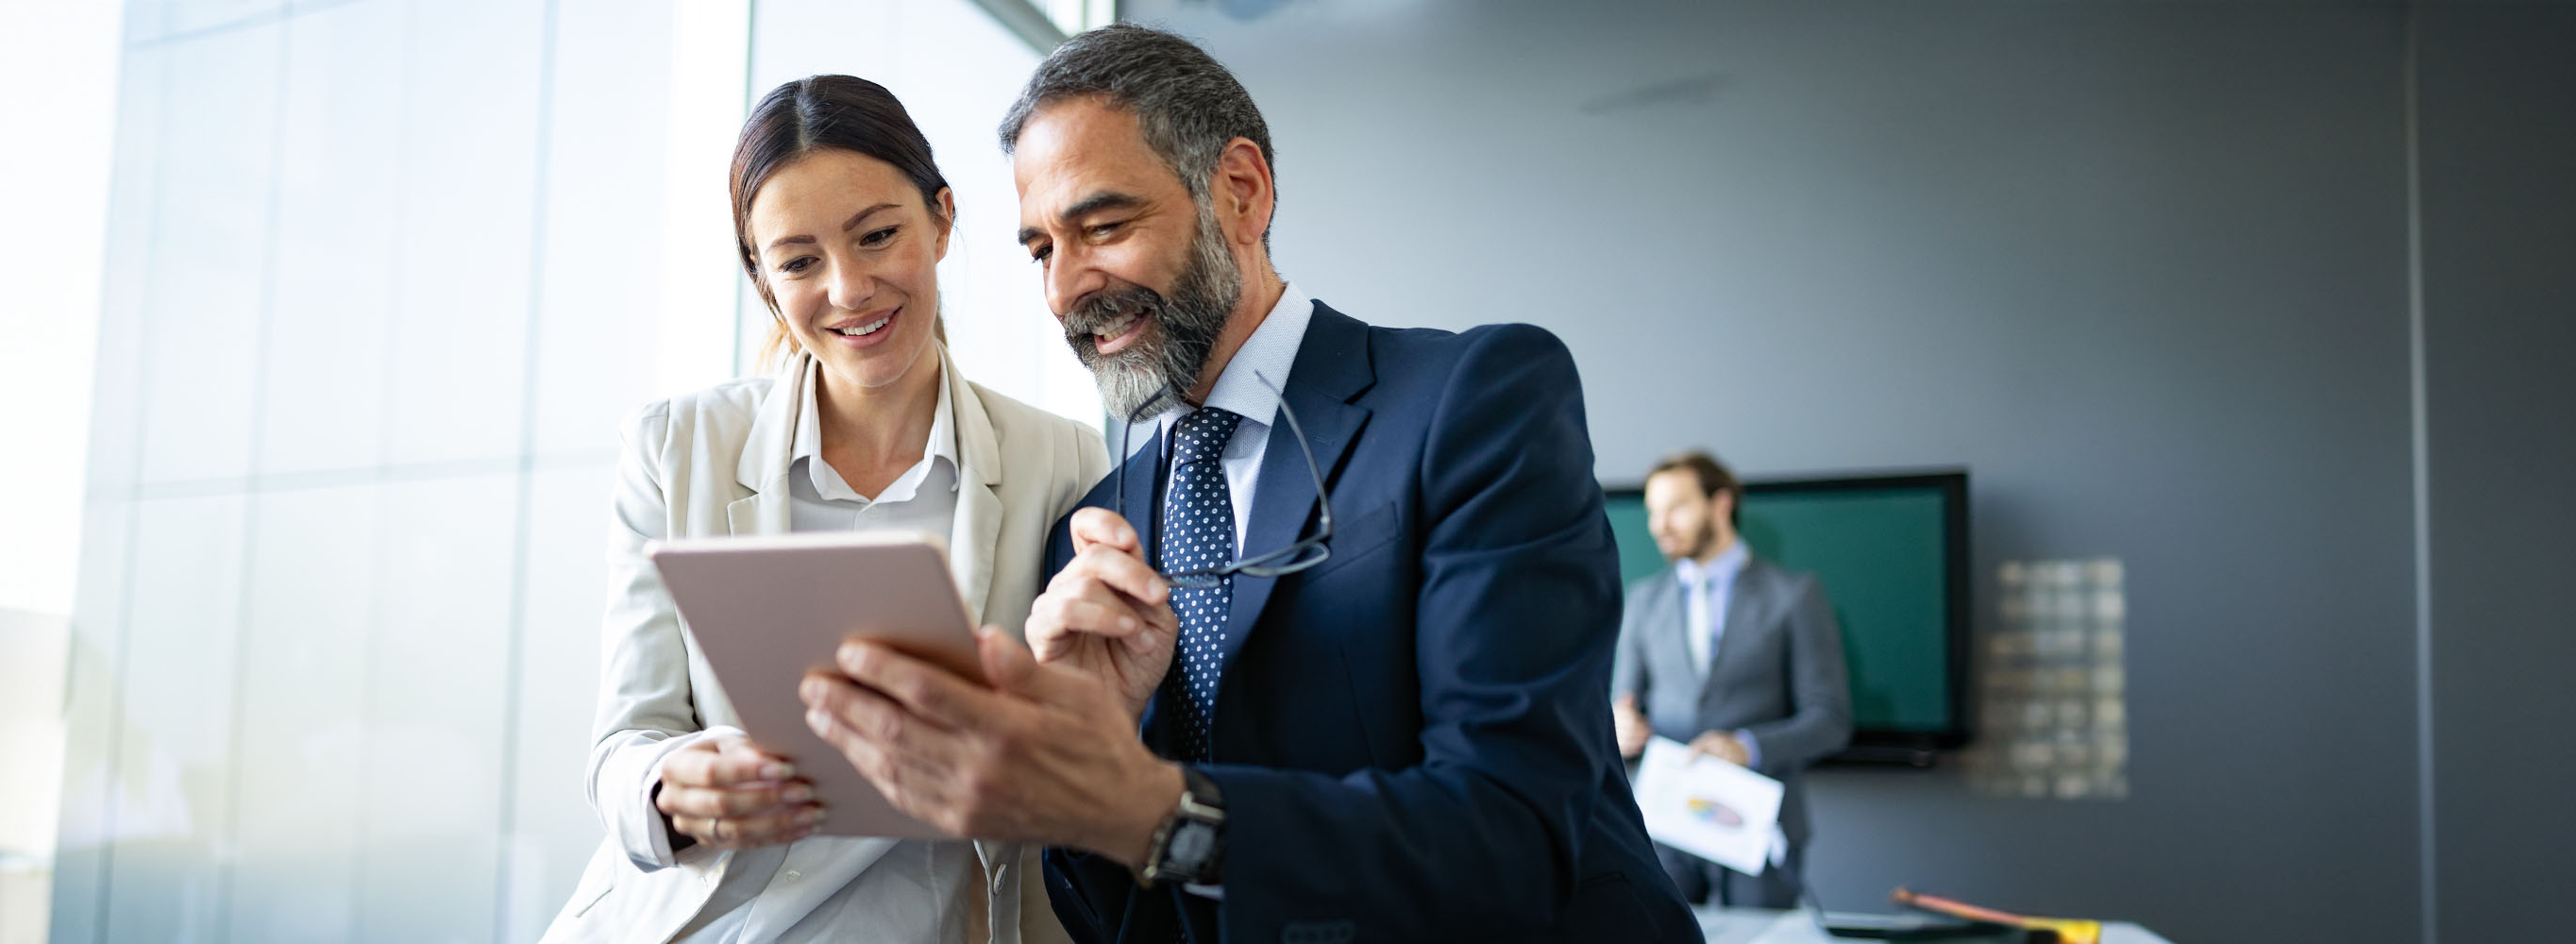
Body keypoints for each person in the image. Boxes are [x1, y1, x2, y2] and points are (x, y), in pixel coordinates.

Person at [787, 25, 1701, 943]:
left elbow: (1510, 836)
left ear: (1241, 192)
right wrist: (1088, 745)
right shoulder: (1094, 528)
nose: (1067, 287)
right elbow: (1117, 920)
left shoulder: (1476, 401)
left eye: (1103, 226)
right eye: (1040, 251)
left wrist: (1144, 802)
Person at [540, 75, 1105, 944]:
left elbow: (1080, 750)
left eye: (878, 236)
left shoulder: (1061, 462)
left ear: (943, 219)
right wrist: (673, 783)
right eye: (800, 261)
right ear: (763, 279)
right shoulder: (674, 447)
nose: (849, 289)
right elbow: (626, 741)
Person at [1610, 449, 1852, 909]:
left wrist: (1746, 746)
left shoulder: (1795, 595)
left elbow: (1830, 719)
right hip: (1667, 831)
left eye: (1676, 508)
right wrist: (1618, 730)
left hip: (1759, 830)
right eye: (1653, 512)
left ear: (1720, 504)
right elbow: (1624, 708)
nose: (1659, 525)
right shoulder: (1643, 602)